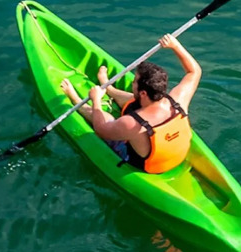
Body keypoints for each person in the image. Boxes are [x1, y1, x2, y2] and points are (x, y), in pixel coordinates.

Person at [60, 34, 202, 174]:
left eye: (134, 81)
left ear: (144, 93)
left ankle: (76, 100)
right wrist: (175, 46)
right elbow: (194, 72)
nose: (133, 83)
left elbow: (101, 130)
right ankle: (109, 89)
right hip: (177, 157)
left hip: (147, 166)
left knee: (107, 117)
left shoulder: (131, 123)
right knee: (132, 100)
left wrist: (96, 100)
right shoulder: (178, 100)